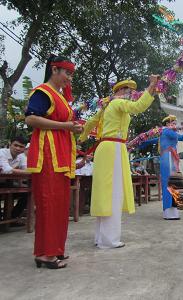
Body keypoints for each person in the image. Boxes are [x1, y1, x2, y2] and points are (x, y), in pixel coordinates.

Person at [79, 77, 158, 249]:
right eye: (128, 91)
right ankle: (109, 240)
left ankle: (100, 237)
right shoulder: (118, 103)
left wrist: (80, 138)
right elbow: (138, 107)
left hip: (106, 148)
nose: (130, 94)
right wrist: (152, 86)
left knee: (104, 192)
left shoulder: (107, 106)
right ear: (120, 91)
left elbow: (91, 122)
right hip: (113, 148)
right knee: (113, 193)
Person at [25, 55, 83, 269]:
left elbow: (63, 122)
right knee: (49, 203)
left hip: (61, 155)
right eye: (67, 73)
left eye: (71, 74)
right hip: (47, 154)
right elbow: (30, 119)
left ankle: (55, 249)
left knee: (59, 204)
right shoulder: (43, 92)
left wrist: (73, 126)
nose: (69, 77)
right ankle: (45, 254)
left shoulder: (59, 96)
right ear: (54, 70)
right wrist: (67, 127)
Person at [140, 115, 183, 220]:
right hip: (168, 158)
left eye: (175, 123)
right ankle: (169, 211)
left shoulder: (166, 133)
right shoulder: (167, 131)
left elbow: (154, 140)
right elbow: (182, 137)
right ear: (167, 124)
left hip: (171, 158)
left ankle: (171, 210)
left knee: (173, 183)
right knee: (170, 183)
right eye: (173, 123)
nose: (174, 125)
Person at [0, 136, 29, 222]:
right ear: (10, 144)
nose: (18, 148)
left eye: (21, 146)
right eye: (15, 145)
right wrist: (30, 172)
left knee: (27, 194)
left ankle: (12, 218)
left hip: (5, 183)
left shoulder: (21, 157)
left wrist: (28, 172)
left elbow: (26, 168)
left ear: (24, 148)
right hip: (3, 183)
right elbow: (7, 170)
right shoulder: (2, 153)